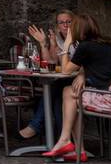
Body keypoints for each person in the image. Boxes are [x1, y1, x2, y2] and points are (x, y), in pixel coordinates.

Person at [44, 14, 111, 161]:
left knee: (68, 92)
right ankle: (77, 149)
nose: (69, 29)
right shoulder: (105, 43)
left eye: (72, 27)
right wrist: (82, 74)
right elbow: (93, 64)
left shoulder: (85, 46)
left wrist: (66, 45)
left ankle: (68, 142)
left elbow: (66, 70)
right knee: (73, 94)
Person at [19, 10, 76, 140]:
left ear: (75, 23)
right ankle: (63, 141)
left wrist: (61, 49)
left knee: (54, 89)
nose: (65, 25)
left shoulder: (78, 39)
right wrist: (44, 44)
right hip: (64, 82)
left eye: (69, 22)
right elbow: (50, 64)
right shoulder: (57, 39)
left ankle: (36, 127)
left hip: (78, 80)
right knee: (56, 96)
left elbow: (66, 67)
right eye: (62, 22)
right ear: (57, 26)